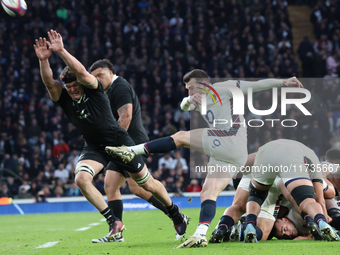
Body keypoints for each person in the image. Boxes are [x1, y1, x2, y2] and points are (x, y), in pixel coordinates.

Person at [106, 69, 303, 248]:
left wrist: (283, 82)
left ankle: (133, 150)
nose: (190, 92)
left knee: (181, 137)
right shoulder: (198, 99)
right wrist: (188, 100)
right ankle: (200, 234)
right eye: (187, 89)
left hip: (230, 139)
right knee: (207, 193)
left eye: (191, 88)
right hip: (227, 154)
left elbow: (256, 85)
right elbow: (183, 105)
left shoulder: (223, 88)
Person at [33, 30, 188, 243]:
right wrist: (44, 61)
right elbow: (50, 83)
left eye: (74, 85)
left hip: (120, 143)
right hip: (95, 147)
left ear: (82, 82)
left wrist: (61, 51)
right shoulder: (64, 97)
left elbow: (83, 73)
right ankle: (114, 223)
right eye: (68, 87)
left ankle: (175, 212)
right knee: (82, 178)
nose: (71, 90)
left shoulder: (94, 89)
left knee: (146, 184)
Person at [89, 59, 172, 242]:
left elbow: (125, 120)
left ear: (111, 72)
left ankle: (175, 214)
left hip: (131, 144)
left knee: (140, 187)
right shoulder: (107, 90)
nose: (98, 79)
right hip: (120, 144)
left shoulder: (120, 87)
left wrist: (107, 146)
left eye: (100, 75)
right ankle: (116, 231)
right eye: (94, 77)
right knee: (111, 185)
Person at [242, 139, 339, 242]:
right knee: (307, 199)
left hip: (265, 165)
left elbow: (258, 156)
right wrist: (323, 219)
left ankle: (247, 224)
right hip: (287, 177)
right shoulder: (311, 162)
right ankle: (319, 221)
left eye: (284, 232)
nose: (287, 234)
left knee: (255, 197)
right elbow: (324, 199)